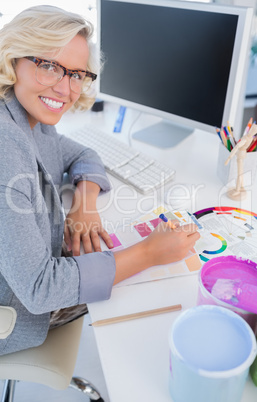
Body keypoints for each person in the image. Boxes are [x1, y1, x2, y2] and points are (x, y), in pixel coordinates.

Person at [0, 5, 200, 356]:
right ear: (13, 58)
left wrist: (83, 206)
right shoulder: (5, 143)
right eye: (49, 65)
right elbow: (39, 289)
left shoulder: (31, 118)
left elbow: (84, 155)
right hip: (18, 311)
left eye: (77, 74)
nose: (65, 88)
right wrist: (148, 253)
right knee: (162, 299)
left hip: (32, 270)